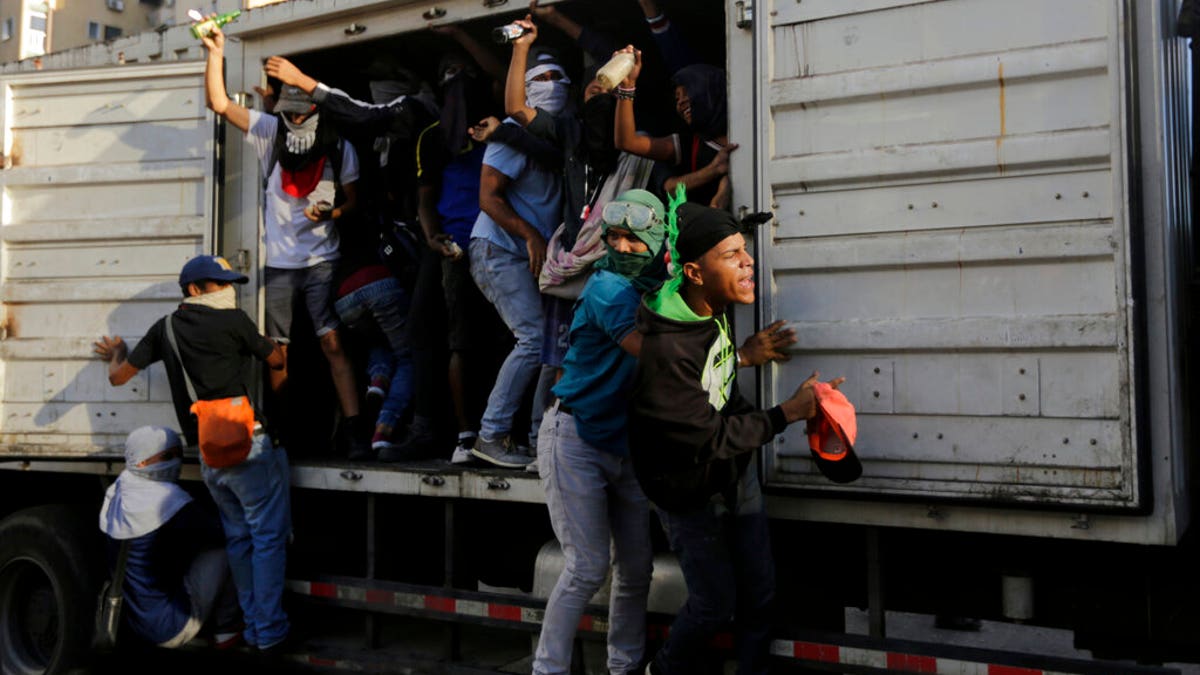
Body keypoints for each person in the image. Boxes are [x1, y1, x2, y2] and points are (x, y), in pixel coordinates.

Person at [629, 195, 841, 675]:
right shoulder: (668, 349)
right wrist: (786, 413)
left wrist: (749, 361)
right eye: (731, 255)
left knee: (761, 594)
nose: (748, 262)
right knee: (713, 604)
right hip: (687, 488)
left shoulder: (712, 306)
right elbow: (702, 436)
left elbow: (719, 386)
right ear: (694, 273)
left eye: (743, 250)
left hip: (731, 470)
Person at [94, 255, 292, 652]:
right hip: (248, 444)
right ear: (194, 289)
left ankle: (254, 627)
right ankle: (266, 632)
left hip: (209, 454)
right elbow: (276, 359)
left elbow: (118, 377)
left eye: (228, 282)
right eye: (218, 284)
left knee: (238, 538)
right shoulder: (233, 321)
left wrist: (117, 351)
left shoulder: (164, 328)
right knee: (267, 538)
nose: (227, 290)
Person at [201, 25, 369, 458]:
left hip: (321, 259)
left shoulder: (338, 145)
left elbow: (354, 202)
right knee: (277, 352)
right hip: (277, 262)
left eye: (301, 113)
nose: (295, 120)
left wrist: (330, 213)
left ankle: (353, 429)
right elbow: (218, 103)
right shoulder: (269, 132)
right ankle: (282, 427)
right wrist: (216, 52)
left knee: (332, 341)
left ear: (315, 110)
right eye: (288, 113)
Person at [531, 189, 666, 674]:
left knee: (636, 569)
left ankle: (624, 668)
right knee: (587, 566)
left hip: (621, 443)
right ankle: (547, 670)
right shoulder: (609, 288)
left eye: (635, 239)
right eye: (615, 237)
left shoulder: (657, 287)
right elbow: (654, 357)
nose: (623, 247)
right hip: (575, 437)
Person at [469, 43, 569, 468]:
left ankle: (538, 438)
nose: (550, 86)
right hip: (500, 250)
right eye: (539, 80)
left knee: (552, 346)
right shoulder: (514, 132)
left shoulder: (560, 136)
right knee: (532, 339)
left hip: (536, 257)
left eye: (556, 78)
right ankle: (490, 435)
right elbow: (488, 198)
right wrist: (530, 235)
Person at [98, 426, 241, 649]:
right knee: (229, 550)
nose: (176, 462)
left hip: (134, 623)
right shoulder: (170, 499)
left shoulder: (119, 489)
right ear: (142, 461)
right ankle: (227, 629)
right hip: (174, 625)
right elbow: (224, 534)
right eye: (167, 456)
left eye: (178, 455)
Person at [613, 47, 737, 210]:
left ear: (711, 91)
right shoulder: (689, 143)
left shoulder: (749, 129)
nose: (680, 102)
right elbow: (627, 142)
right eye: (677, 98)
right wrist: (627, 86)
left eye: (687, 92)